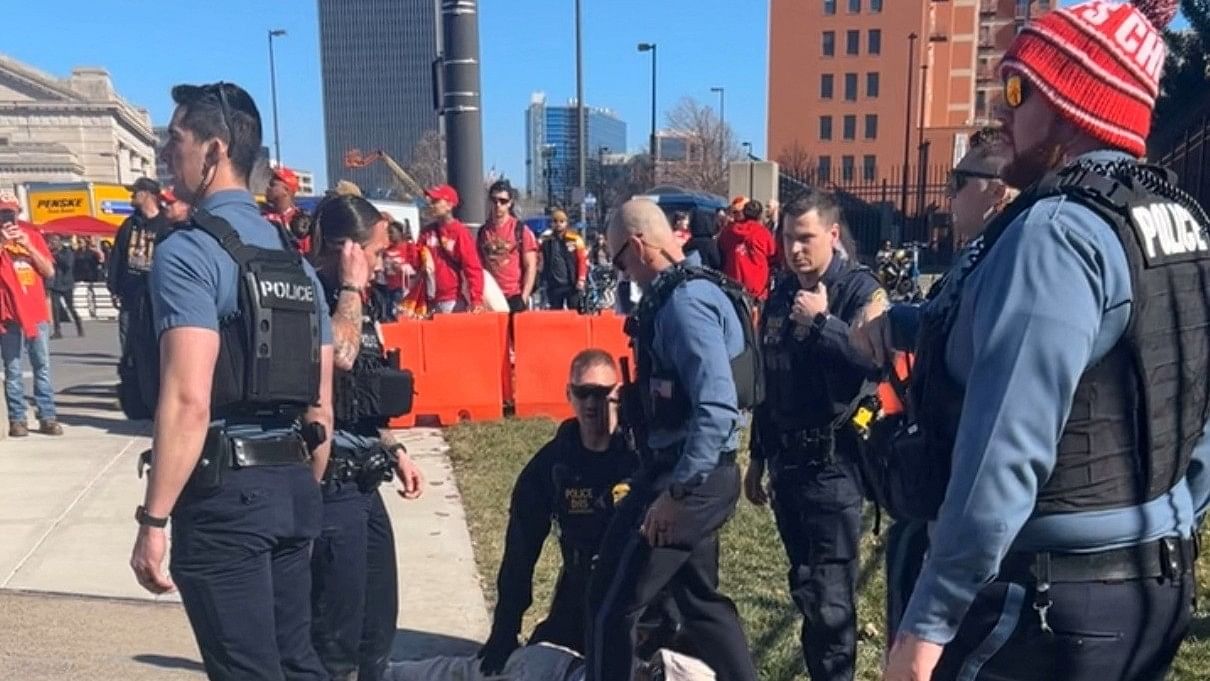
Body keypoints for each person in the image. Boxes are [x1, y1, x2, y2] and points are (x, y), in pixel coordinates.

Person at [851, 3, 1210, 680]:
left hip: (1042, 604)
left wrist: (928, 623)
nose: (1000, 109)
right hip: (1150, 585)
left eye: (1018, 89)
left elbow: (1003, 455)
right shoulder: (1179, 221)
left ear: (1077, 101)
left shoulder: (1058, 233)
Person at [128, 81, 334, 681]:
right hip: (295, 487)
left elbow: (188, 398)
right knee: (297, 665)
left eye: (176, 140)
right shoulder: (296, 262)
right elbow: (322, 405)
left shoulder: (189, 253)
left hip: (227, 499)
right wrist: (304, 491)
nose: (168, 155)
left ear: (214, 150)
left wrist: (154, 521)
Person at [586, 198, 759, 681]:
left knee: (611, 603)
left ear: (639, 246)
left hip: (686, 477)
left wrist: (677, 494)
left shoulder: (684, 304)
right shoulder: (689, 292)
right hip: (697, 471)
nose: (621, 272)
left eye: (620, 260)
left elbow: (718, 403)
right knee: (699, 602)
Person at [742, 191, 886, 681]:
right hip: (788, 467)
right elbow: (769, 381)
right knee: (806, 588)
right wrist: (757, 457)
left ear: (832, 234)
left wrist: (824, 324)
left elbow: (872, 364)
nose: (795, 248)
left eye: (805, 238)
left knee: (830, 600)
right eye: (787, 238)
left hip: (834, 469)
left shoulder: (860, 291)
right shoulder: (780, 293)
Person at [307, 194, 425, 681]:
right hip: (330, 484)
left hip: (364, 478)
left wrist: (393, 448)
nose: (380, 265)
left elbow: (360, 390)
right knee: (338, 635)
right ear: (347, 249)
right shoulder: (312, 291)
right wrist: (351, 288)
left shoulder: (359, 301)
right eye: (374, 253)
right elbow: (340, 357)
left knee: (378, 624)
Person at [478, 349, 637, 674]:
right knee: (540, 664)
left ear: (617, 394)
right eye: (583, 393)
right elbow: (520, 554)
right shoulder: (552, 465)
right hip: (580, 587)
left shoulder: (639, 459)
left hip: (633, 591)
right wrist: (505, 629)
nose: (592, 403)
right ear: (569, 394)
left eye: (602, 393)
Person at [0, 192, 62, 437]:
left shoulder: (33, 236)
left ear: (18, 213)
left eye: (10, 212)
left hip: (35, 311)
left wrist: (28, 247)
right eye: (2, 213)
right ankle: (17, 418)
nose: (7, 218)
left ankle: (47, 415)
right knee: (13, 369)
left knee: (42, 366)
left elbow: (49, 272)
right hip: (7, 314)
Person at [108, 176, 170, 351]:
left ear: (147, 195)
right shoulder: (129, 224)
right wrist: (114, 288)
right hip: (130, 294)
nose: (131, 196)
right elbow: (117, 256)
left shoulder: (165, 224)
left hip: (156, 295)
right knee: (128, 341)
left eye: (135, 193)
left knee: (155, 342)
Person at [416, 184, 484, 313]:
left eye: (436, 201)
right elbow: (415, 261)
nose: (431, 205)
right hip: (427, 300)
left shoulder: (459, 232)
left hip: (452, 300)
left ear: (449, 205)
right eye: (431, 201)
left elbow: (473, 268)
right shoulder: (426, 232)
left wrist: (476, 300)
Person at [478, 180, 538, 312]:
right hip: (491, 297)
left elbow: (531, 266)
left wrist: (524, 297)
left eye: (503, 201)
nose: (498, 205)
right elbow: (480, 266)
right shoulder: (483, 232)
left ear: (510, 203)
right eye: (494, 200)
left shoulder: (520, 230)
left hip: (514, 295)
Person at [719, 200, 778, 303]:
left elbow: (721, 249)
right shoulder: (763, 233)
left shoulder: (729, 231)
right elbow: (772, 255)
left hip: (732, 284)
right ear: (760, 215)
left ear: (744, 213)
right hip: (757, 287)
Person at [539, 210, 588, 310]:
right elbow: (540, 259)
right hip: (554, 284)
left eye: (561, 221)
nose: (558, 224)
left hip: (572, 283)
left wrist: (581, 279)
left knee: (575, 311)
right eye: (555, 221)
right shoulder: (546, 240)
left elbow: (582, 260)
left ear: (566, 223)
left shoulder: (574, 239)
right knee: (556, 313)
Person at [264, 165, 312, 254]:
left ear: (286, 190)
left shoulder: (302, 222)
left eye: (272, 184)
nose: (267, 187)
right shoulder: (260, 217)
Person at [47, 235, 83, 339]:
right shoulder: (50, 252)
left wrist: (56, 255)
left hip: (66, 283)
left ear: (59, 242)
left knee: (70, 307)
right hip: (55, 283)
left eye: (54, 241)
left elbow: (68, 265)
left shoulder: (67, 252)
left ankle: (79, 325)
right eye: (51, 241)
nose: (52, 243)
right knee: (55, 308)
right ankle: (57, 331)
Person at [381, 220, 417, 320]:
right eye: (388, 233)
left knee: (398, 312)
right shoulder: (386, 250)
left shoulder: (406, 247)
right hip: (388, 287)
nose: (389, 235)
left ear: (400, 233)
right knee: (388, 313)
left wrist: (401, 267)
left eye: (391, 232)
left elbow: (414, 264)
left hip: (402, 288)